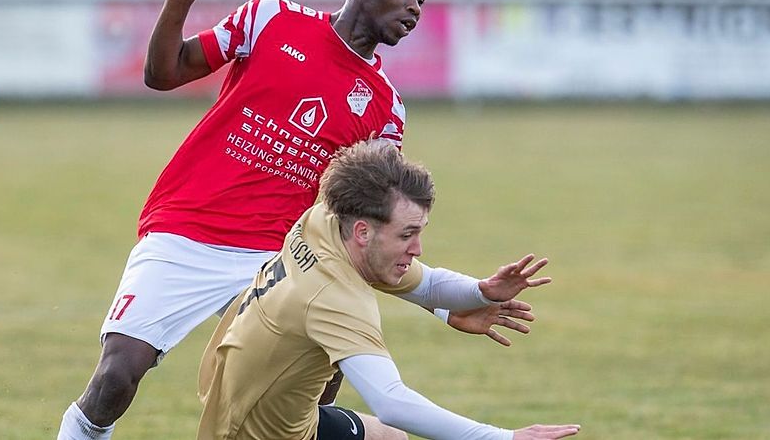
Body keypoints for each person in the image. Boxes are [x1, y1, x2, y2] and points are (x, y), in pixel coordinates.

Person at [58, 0, 458, 438]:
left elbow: (370, 220)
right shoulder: (270, 19)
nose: (414, 8)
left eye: (422, 0)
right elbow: (163, 72)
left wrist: (446, 304)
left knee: (309, 398)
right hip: (187, 228)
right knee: (115, 378)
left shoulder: (386, 108)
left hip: (281, 258)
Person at [197, 140, 581, 440]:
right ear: (364, 231)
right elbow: (392, 402)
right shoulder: (334, 298)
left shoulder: (324, 222)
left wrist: (482, 293)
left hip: (252, 403)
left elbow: (427, 285)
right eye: (407, 235)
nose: (417, 249)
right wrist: (505, 436)